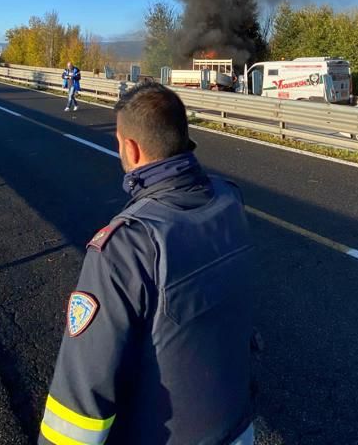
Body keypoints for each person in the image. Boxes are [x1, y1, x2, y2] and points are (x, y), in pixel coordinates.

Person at [39, 81, 254, 445]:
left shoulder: (125, 245)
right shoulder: (229, 199)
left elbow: (79, 401)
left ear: (131, 148)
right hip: (237, 426)